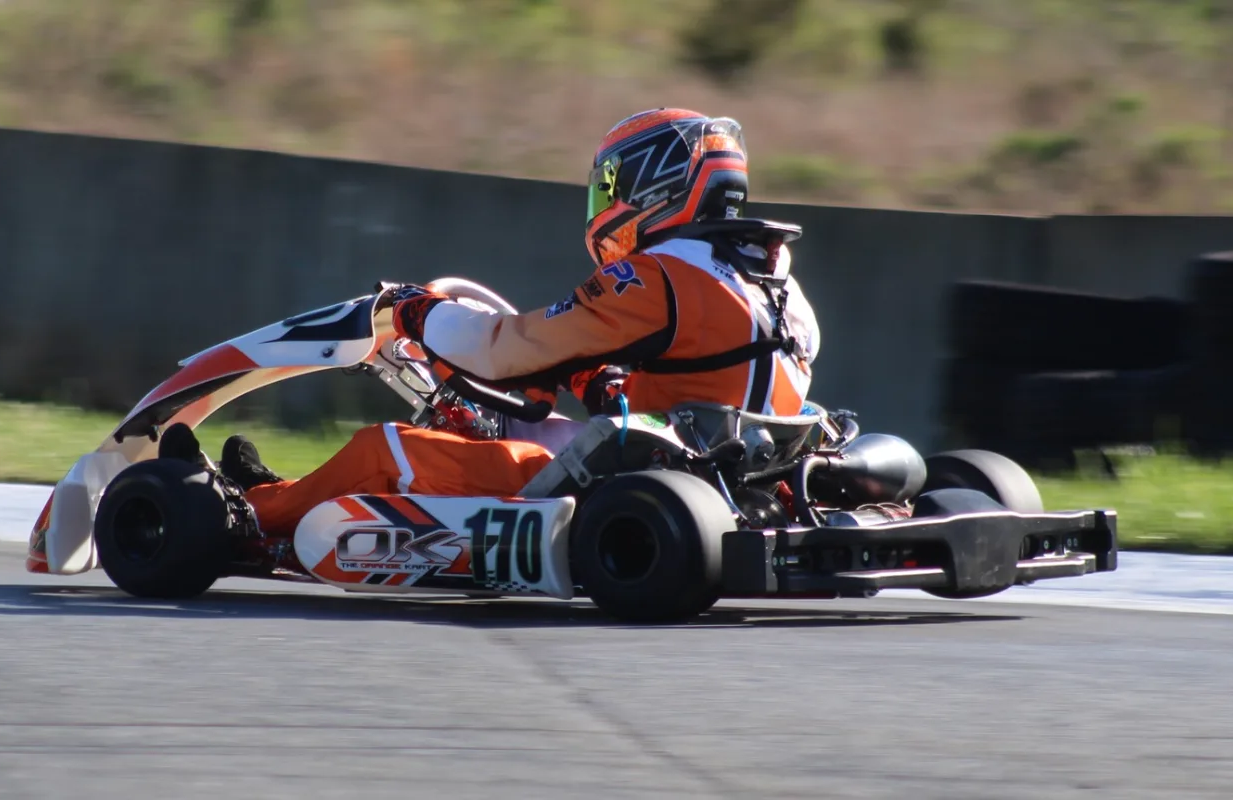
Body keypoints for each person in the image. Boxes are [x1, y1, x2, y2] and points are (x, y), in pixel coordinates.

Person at [161, 107, 822, 537]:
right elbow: (705, 387)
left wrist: (418, 312)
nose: (605, 204)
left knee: (383, 450)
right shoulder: (775, 285)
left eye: (613, 187)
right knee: (515, 416)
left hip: (639, 488)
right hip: (728, 475)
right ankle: (276, 491)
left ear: (656, 188)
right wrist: (593, 380)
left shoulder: (654, 278)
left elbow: (503, 349)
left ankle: (244, 518)